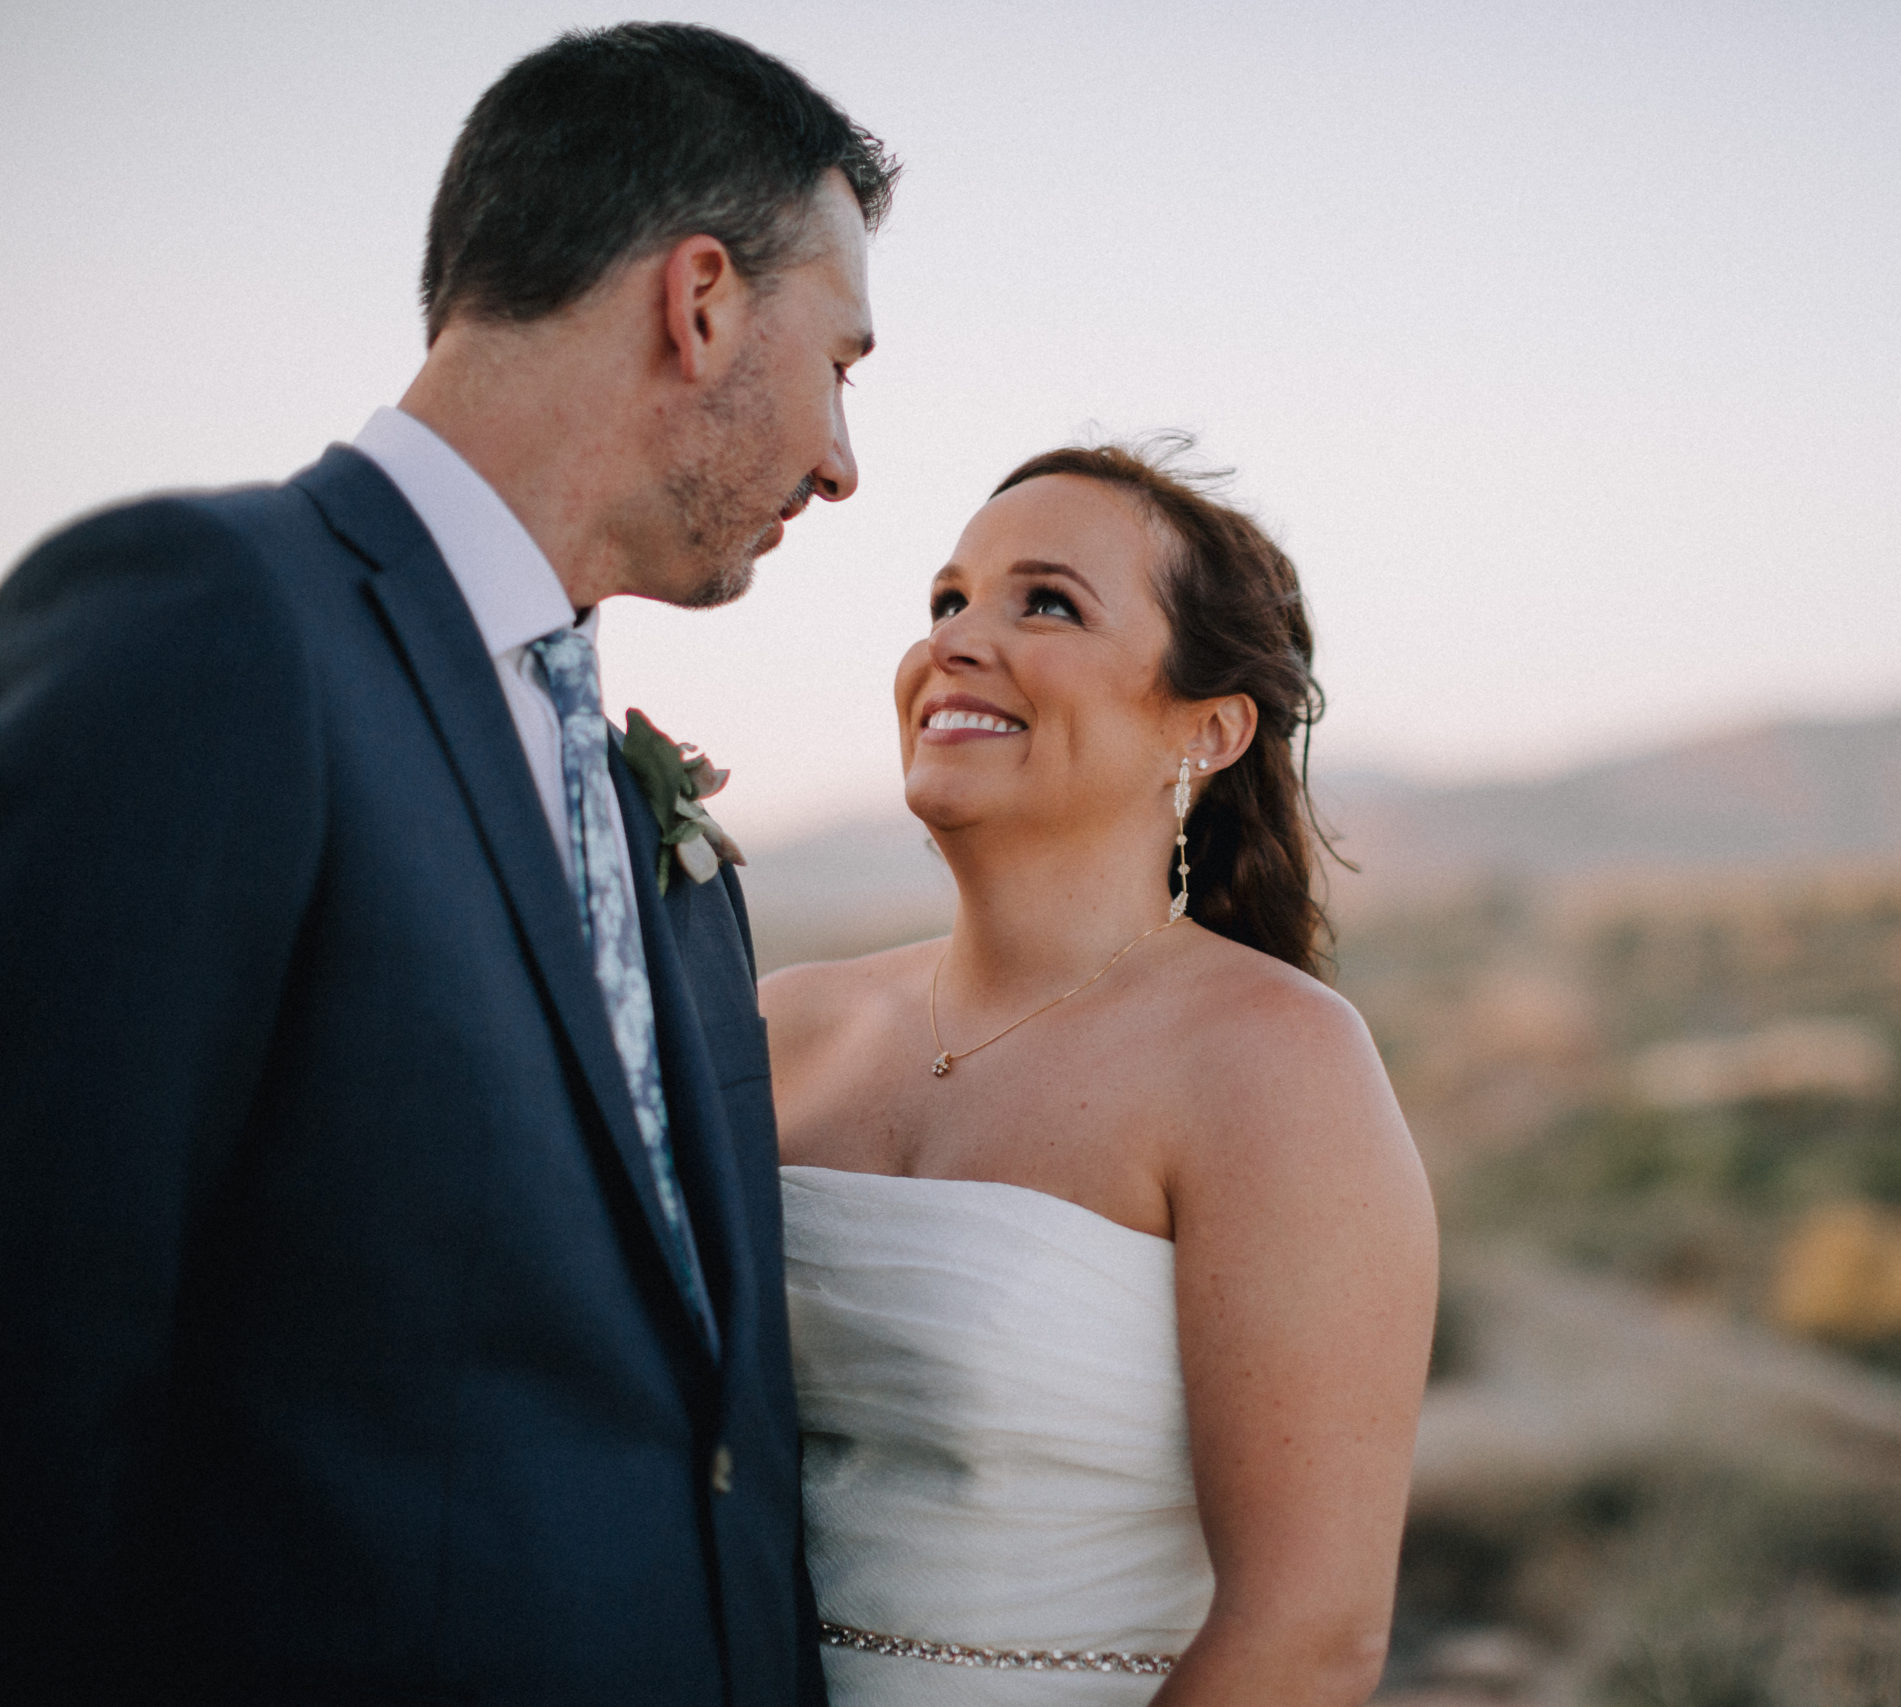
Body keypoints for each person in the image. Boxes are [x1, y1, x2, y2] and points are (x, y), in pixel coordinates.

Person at [0, 24, 892, 1704]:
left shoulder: (646, 821)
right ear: (698, 303)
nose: (845, 459)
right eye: (842, 362)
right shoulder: (214, 621)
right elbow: (37, 1363)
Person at [762, 442, 1439, 1705]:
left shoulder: (1270, 1061)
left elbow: (1309, 1635)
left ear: (1208, 728)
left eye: (1047, 603)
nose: (955, 641)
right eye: (946, 601)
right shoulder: (780, 1027)